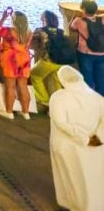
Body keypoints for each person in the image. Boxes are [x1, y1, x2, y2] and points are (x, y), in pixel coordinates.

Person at [48, 65, 104, 211]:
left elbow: (60, 122)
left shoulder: (58, 97)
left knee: (72, 178)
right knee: (92, 177)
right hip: (96, 145)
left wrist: (82, 137)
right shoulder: (98, 98)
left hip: (67, 145)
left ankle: (76, 206)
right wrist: (97, 138)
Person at [31, 10, 77, 107]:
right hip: (62, 62)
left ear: (45, 19)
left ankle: (44, 99)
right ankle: (58, 104)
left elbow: (30, 38)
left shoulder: (40, 30)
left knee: (35, 75)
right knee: (55, 81)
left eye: (42, 18)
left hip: (49, 60)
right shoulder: (61, 31)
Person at [0, 8, 33, 119]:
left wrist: (4, 17)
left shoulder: (8, 31)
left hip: (10, 60)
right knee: (23, 86)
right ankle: (26, 112)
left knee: (10, 87)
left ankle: (9, 112)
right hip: (24, 60)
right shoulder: (29, 33)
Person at [70, 0, 104, 94]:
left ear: (84, 9)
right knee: (101, 80)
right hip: (101, 53)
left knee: (87, 79)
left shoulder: (78, 21)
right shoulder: (102, 19)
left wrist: (74, 16)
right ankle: (101, 102)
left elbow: (71, 28)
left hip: (85, 54)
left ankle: (88, 101)